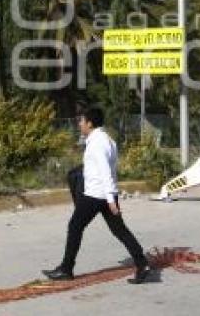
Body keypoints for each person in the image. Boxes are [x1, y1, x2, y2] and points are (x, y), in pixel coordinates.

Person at [42, 106, 150, 284]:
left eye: (81, 121)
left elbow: (105, 171)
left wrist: (110, 199)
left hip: (95, 196)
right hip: (105, 195)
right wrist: (111, 197)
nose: (79, 124)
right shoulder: (106, 139)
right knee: (119, 230)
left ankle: (66, 269)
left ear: (90, 123)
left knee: (75, 227)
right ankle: (142, 264)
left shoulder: (98, 143)